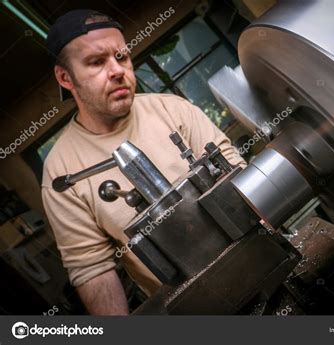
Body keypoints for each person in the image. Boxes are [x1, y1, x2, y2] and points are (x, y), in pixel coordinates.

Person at [41, 9, 245, 315]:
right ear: (65, 77)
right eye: (97, 62)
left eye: (122, 57)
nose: (117, 70)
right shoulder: (61, 171)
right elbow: (92, 268)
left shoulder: (172, 110)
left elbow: (236, 171)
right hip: (190, 309)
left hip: (250, 260)